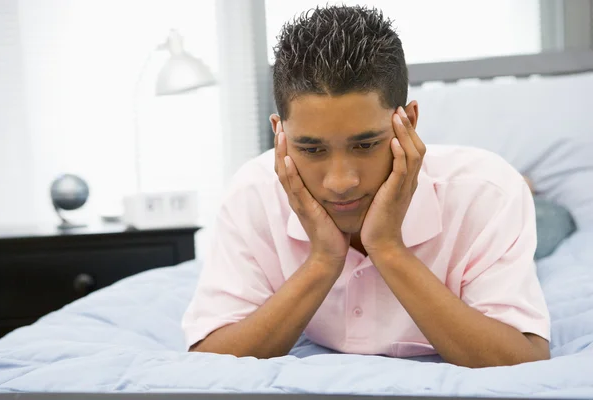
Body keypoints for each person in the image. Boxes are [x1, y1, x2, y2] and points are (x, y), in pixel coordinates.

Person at [182, 5, 551, 368]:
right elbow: (209, 357)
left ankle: (533, 190)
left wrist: (388, 249)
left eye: (366, 145)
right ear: (279, 133)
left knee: (549, 225)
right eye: (312, 149)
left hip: (507, 206)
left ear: (408, 121)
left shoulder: (491, 193)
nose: (341, 183)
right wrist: (324, 259)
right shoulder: (253, 193)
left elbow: (525, 357)